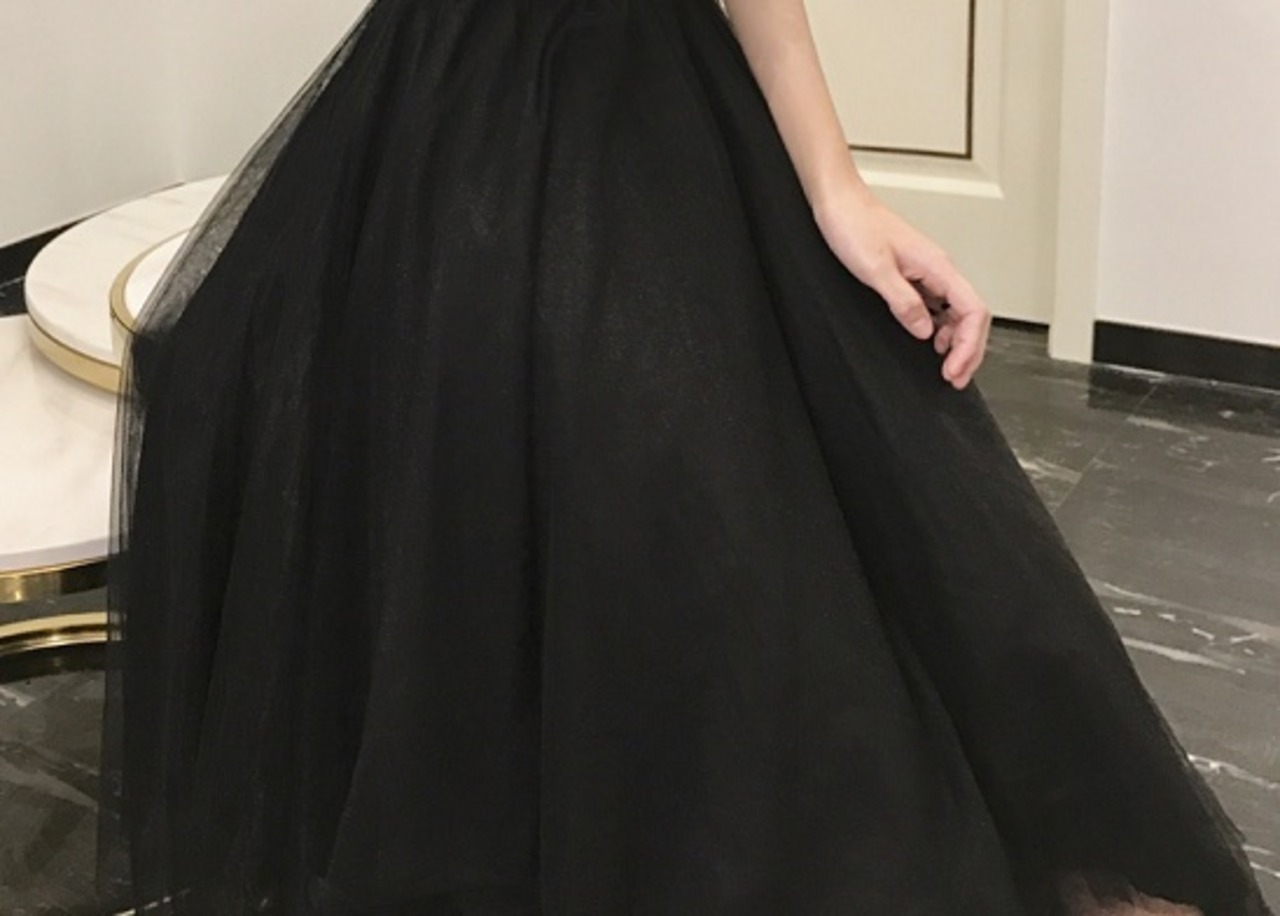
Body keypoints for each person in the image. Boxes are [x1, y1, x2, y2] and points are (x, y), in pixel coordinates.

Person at [98, 0, 1273, 913]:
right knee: (443, 497)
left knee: (687, 523)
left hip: (616, 104)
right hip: (443, 97)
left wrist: (835, 187)